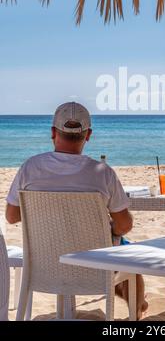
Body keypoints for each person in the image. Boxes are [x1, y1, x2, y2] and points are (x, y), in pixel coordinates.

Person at [6, 102, 147, 319]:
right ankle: (136, 313)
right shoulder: (102, 173)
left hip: (43, 266)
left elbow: (12, 216)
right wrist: (107, 226)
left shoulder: (30, 168)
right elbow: (124, 226)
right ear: (88, 135)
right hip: (96, 269)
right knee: (130, 257)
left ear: (53, 132)